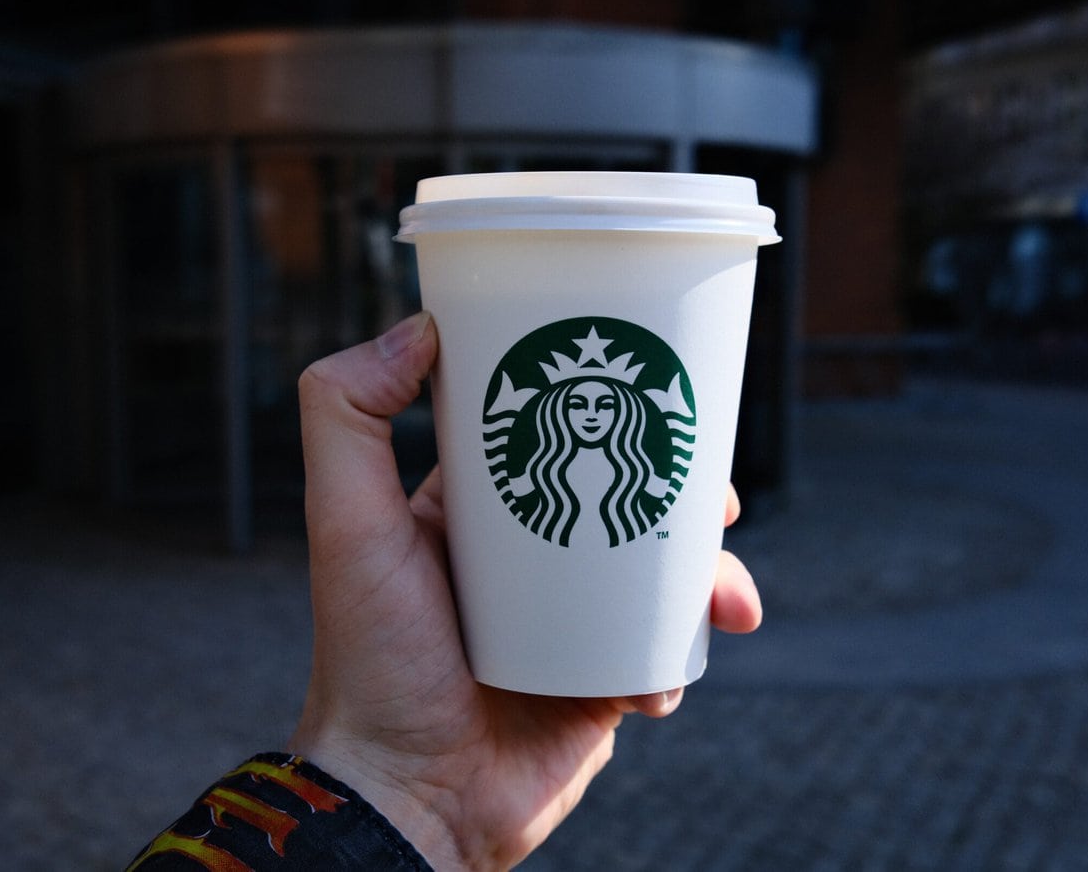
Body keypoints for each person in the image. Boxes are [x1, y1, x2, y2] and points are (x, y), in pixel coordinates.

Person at [126, 312, 764, 871]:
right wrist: (401, 786)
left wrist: (413, 800)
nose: (592, 415)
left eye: (606, 405)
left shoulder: (631, 479)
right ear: (553, 412)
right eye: (576, 404)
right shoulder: (543, 478)